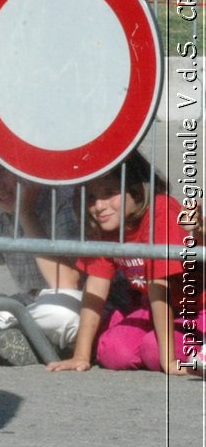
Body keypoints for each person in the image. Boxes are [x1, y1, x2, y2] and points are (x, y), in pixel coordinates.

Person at [48, 153, 203, 376]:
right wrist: (80, 355)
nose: (98, 206)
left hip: (195, 307)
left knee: (154, 351)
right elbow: (95, 286)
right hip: (152, 305)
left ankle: (193, 352)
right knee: (113, 353)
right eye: (90, 197)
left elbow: (159, 284)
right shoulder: (110, 225)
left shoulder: (161, 211)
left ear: (137, 190)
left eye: (109, 193)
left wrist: (168, 360)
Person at [0, 131, 84, 366]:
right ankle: (18, 336)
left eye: (3, 171)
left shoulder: (61, 195)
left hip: (77, 301)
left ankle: (20, 335)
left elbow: (67, 283)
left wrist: (25, 213)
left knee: (62, 315)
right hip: (29, 303)